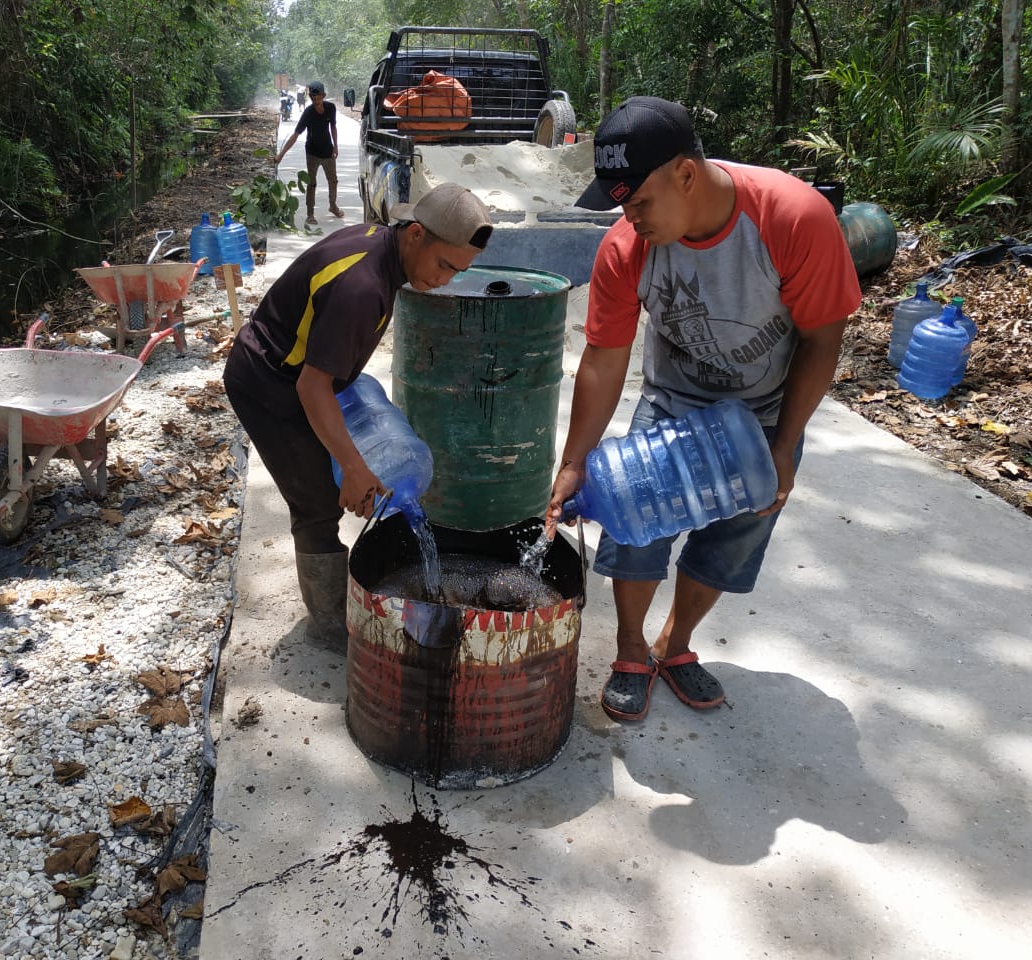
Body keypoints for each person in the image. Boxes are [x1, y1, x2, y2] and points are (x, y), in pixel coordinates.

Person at [545, 96, 861, 721]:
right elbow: (605, 360)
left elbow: (824, 341)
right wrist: (574, 461)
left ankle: (676, 644)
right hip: (674, 403)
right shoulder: (626, 246)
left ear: (685, 174)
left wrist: (784, 445)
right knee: (636, 527)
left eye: (638, 202)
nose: (629, 218)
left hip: (768, 410)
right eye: (620, 206)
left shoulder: (793, 219)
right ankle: (632, 649)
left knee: (730, 542)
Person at [223, 183, 493, 648]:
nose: (446, 280)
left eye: (459, 270)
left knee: (340, 472)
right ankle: (330, 628)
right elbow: (312, 386)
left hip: (300, 375)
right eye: (444, 264)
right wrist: (352, 466)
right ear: (414, 235)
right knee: (316, 503)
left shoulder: (379, 244)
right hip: (268, 382)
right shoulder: (362, 287)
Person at [273, 81, 341, 225]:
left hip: (328, 151)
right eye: (313, 98)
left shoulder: (331, 108)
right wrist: (281, 155)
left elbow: (333, 127)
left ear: (324, 96)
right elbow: (295, 135)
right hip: (312, 153)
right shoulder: (308, 113)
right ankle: (310, 214)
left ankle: (333, 206)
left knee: (333, 180)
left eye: (319, 98)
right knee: (312, 183)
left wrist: (336, 146)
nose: (316, 101)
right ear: (310, 97)